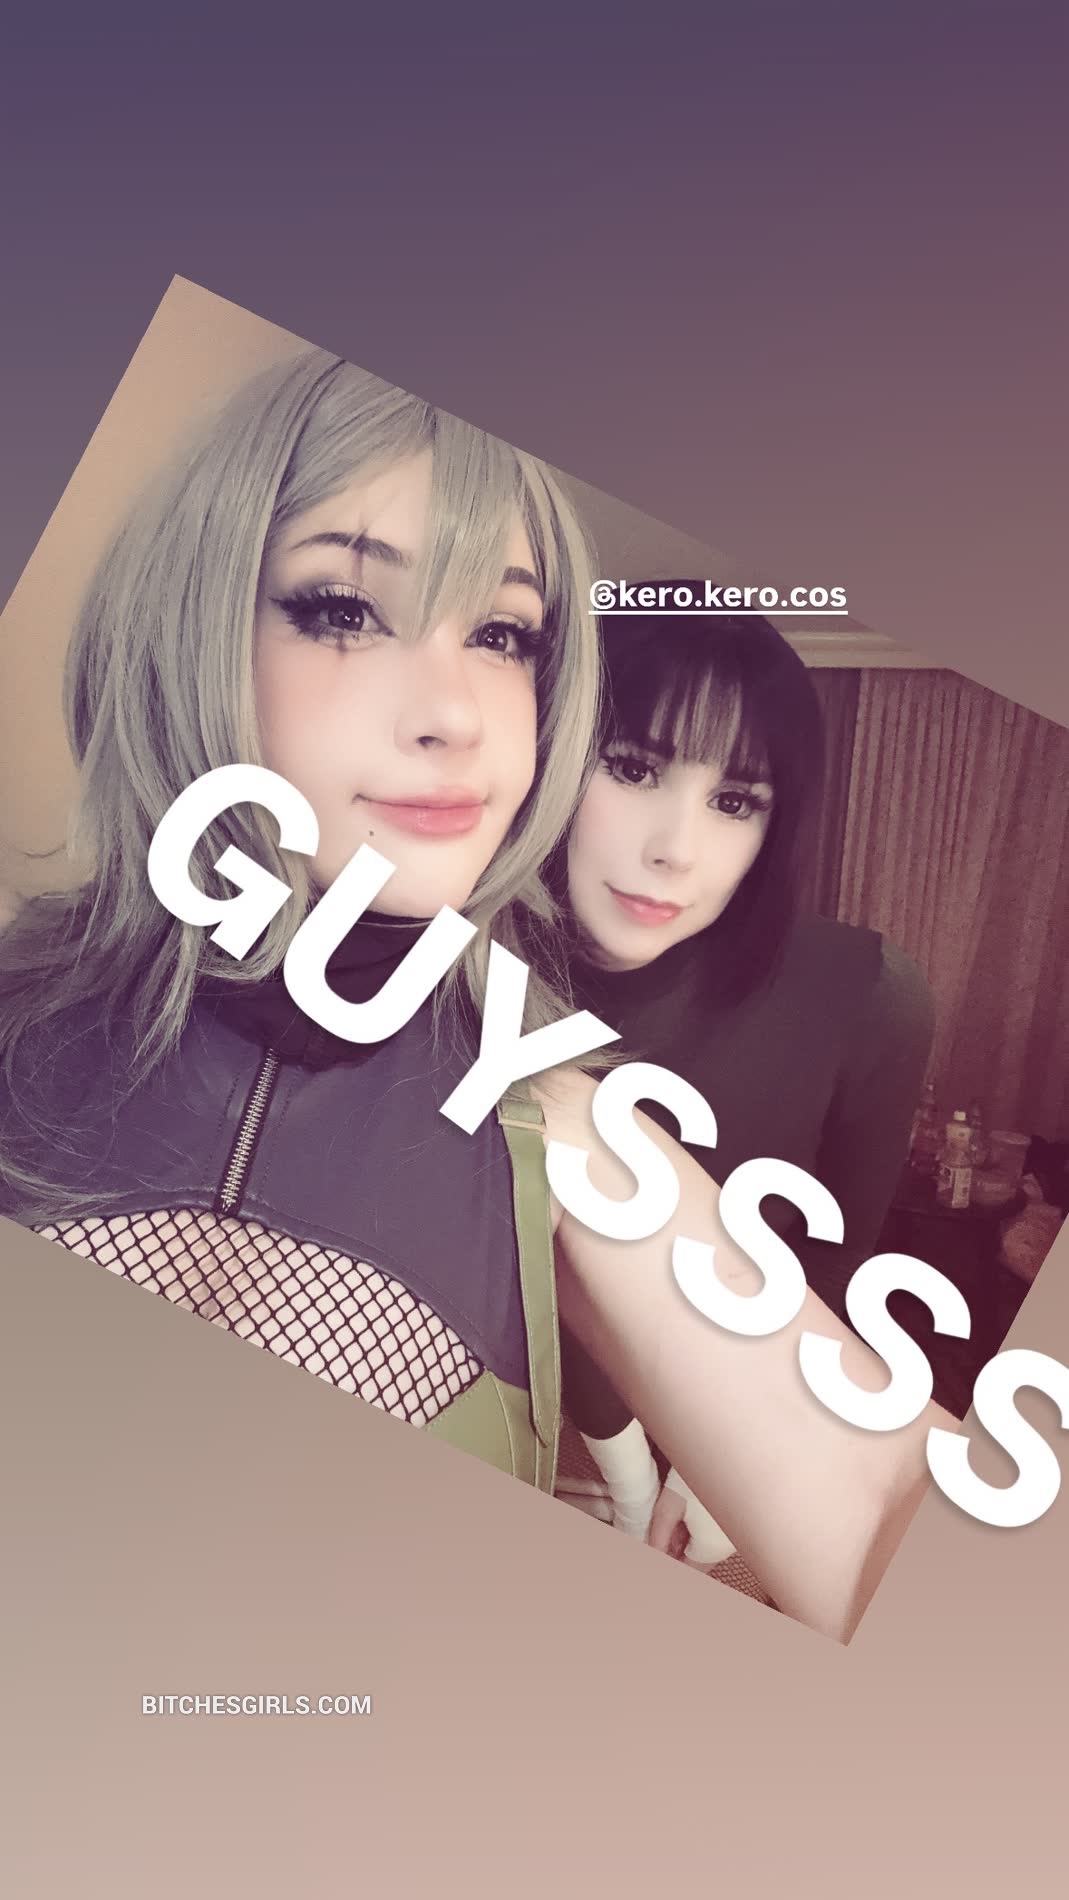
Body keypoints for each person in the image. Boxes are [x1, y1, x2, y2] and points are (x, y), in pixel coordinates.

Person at [0, 362, 953, 1642]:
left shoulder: (560, 1114)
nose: (457, 713)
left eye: (503, 635)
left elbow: (886, 1489)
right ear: (190, 624)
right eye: (343, 607)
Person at [554, 601, 935, 1566]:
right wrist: (619, 1470)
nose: (674, 849)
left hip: (736, 1465)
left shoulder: (861, 995)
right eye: (630, 768)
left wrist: (720, 1460)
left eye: (733, 801)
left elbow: (838, 1259)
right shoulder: (457, 981)